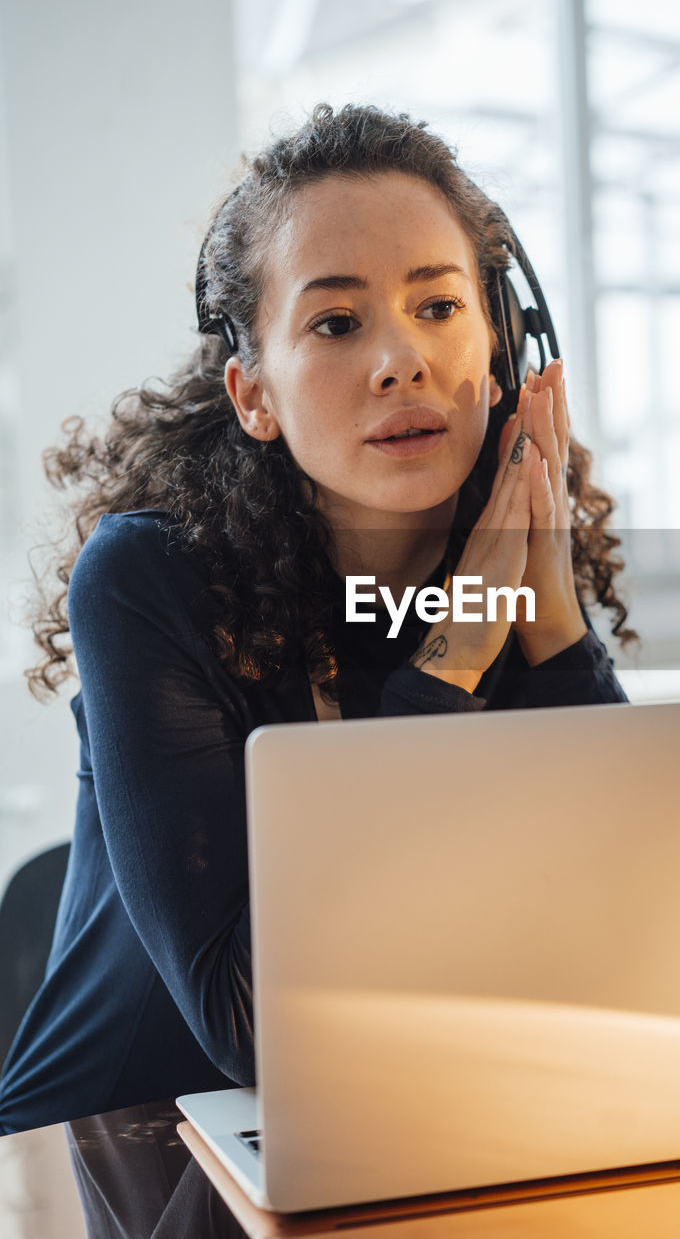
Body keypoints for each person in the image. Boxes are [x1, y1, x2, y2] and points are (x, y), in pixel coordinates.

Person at [0, 103, 633, 1134]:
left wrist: (549, 616)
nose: (401, 359)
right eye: (336, 323)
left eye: (437, 307)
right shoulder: (148, 579)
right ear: (254, 395)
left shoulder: (505, 572)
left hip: (387, 1129)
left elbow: (634, 919)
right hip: (122, 1149)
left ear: (505, 346)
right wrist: (455, 652)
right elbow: (253, 1025)